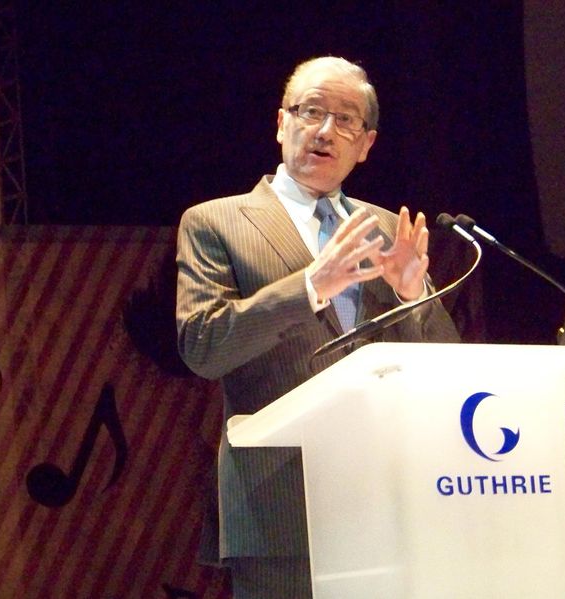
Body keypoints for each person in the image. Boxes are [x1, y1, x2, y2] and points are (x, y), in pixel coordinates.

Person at [176, 56, 460, 598]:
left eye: (346, 119)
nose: (326, 130)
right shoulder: (216, 222)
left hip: (386, 504)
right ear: (282, 122)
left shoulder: (384, 228)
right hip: (277, 509)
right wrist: (310, 286)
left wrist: (411, 294)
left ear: (366, 144)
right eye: (311, 111)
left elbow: (445, 367)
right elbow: (203, 346)